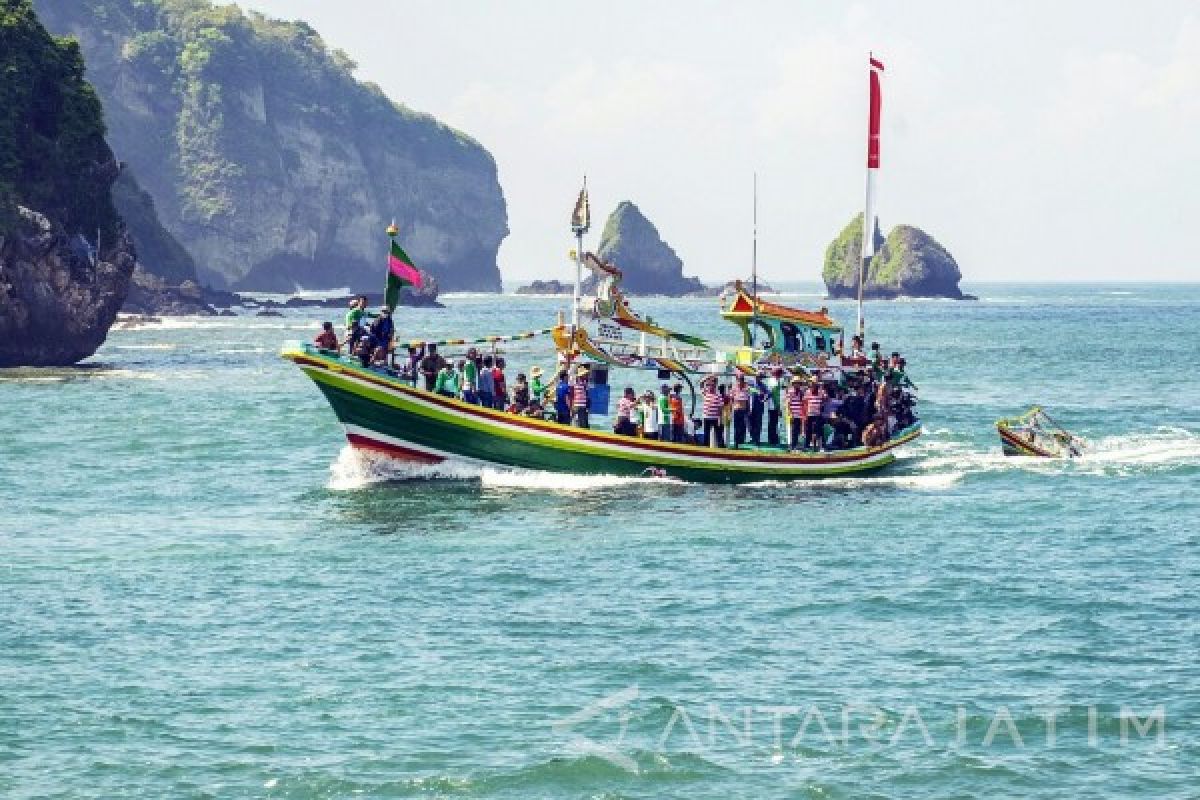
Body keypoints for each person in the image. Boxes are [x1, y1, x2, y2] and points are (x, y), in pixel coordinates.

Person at [785, 376, 806, 451]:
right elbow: (788, 403)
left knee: (797, 431)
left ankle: (795, 445)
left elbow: (803, 403)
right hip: (793, 414)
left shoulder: (801, 392)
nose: (797, 384)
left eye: (798, 383)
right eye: (795, 383)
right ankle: (791, 446)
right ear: (793, 384)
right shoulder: (791, 391)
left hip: (799, 415)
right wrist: (790, 414)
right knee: (792, 431)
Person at [701, 378, 723, 448]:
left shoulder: (718, 395)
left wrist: (720, 418)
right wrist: (707, 377)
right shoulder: (705, 393)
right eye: (710, 385)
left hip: (715, 418)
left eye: (713, 385)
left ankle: (721, 448)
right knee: (706, 434)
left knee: (719, 434)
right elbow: (701, 384)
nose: (711, 386)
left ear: (715, 386)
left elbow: (720, 408)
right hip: (706, 417)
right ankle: (706, 448)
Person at [730, 374, 751, 448]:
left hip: (743, 410)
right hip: (736, 409)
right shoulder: (734, 388)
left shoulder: (746, 389)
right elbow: (731, 399)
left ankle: (742, 442)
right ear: (737, 380)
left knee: (742, 427)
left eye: (741, 379)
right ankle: (736, 443)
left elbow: (748, 400)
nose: (740, 381)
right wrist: (731, 408)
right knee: (736, 427)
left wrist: (748, 410)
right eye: (739, 380)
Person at [804, 380, 826, 450]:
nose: (812, 385)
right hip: (809, 414)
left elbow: (826, 398)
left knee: (819, 430)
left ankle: (821, 446)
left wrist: (822, 389)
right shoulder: (807, 391)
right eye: (811, 383)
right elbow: (805, 402)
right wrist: (805, 413)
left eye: (814, 383)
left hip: (817, 414)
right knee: (808, 430)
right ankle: (807, 446)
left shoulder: (821, 391)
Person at [765, 367, 784, 446]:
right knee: (773, 423)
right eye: (781, 374)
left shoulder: (772, 381)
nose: (781, 376)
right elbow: (774, 395)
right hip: (774, 406)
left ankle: (772, 439)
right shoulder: (774, 382)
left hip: (772, 405)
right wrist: (778, 407)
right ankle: (773, 440)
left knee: (772, 423)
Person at [749, 372, 766, 446]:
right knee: (750, 424)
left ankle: (757, 439)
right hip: (750, 407)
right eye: (757, 376)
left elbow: (768, 393)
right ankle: (753, 438)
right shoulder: (751, 384)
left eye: (760, 376)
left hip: (759, 407)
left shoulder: (763, 385)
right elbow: (748, 389)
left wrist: (764, 399)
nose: (758, 378)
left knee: (758, 424)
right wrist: (758, 392)